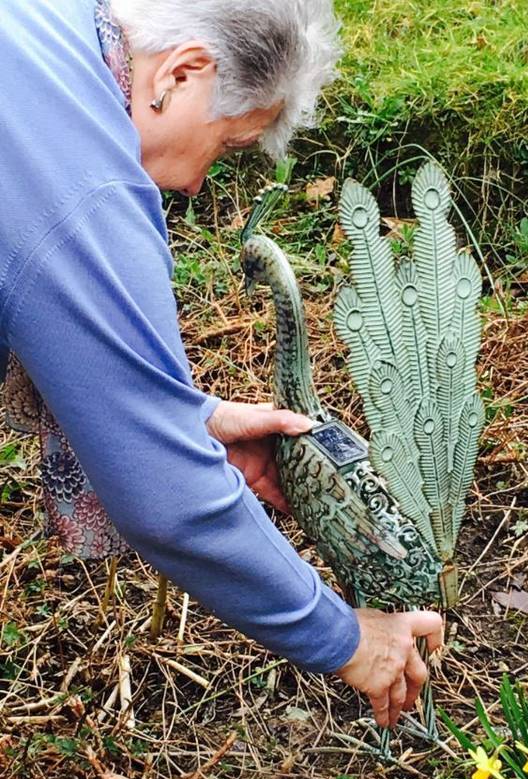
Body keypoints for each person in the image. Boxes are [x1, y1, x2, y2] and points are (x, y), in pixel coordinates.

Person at [0, 0, 443, 731]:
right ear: (180, 73)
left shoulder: (51, 25)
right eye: (228, 146)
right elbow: (169, 501)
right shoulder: (92, 190)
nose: (198, 185)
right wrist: (348, 640)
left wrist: (185, 415)